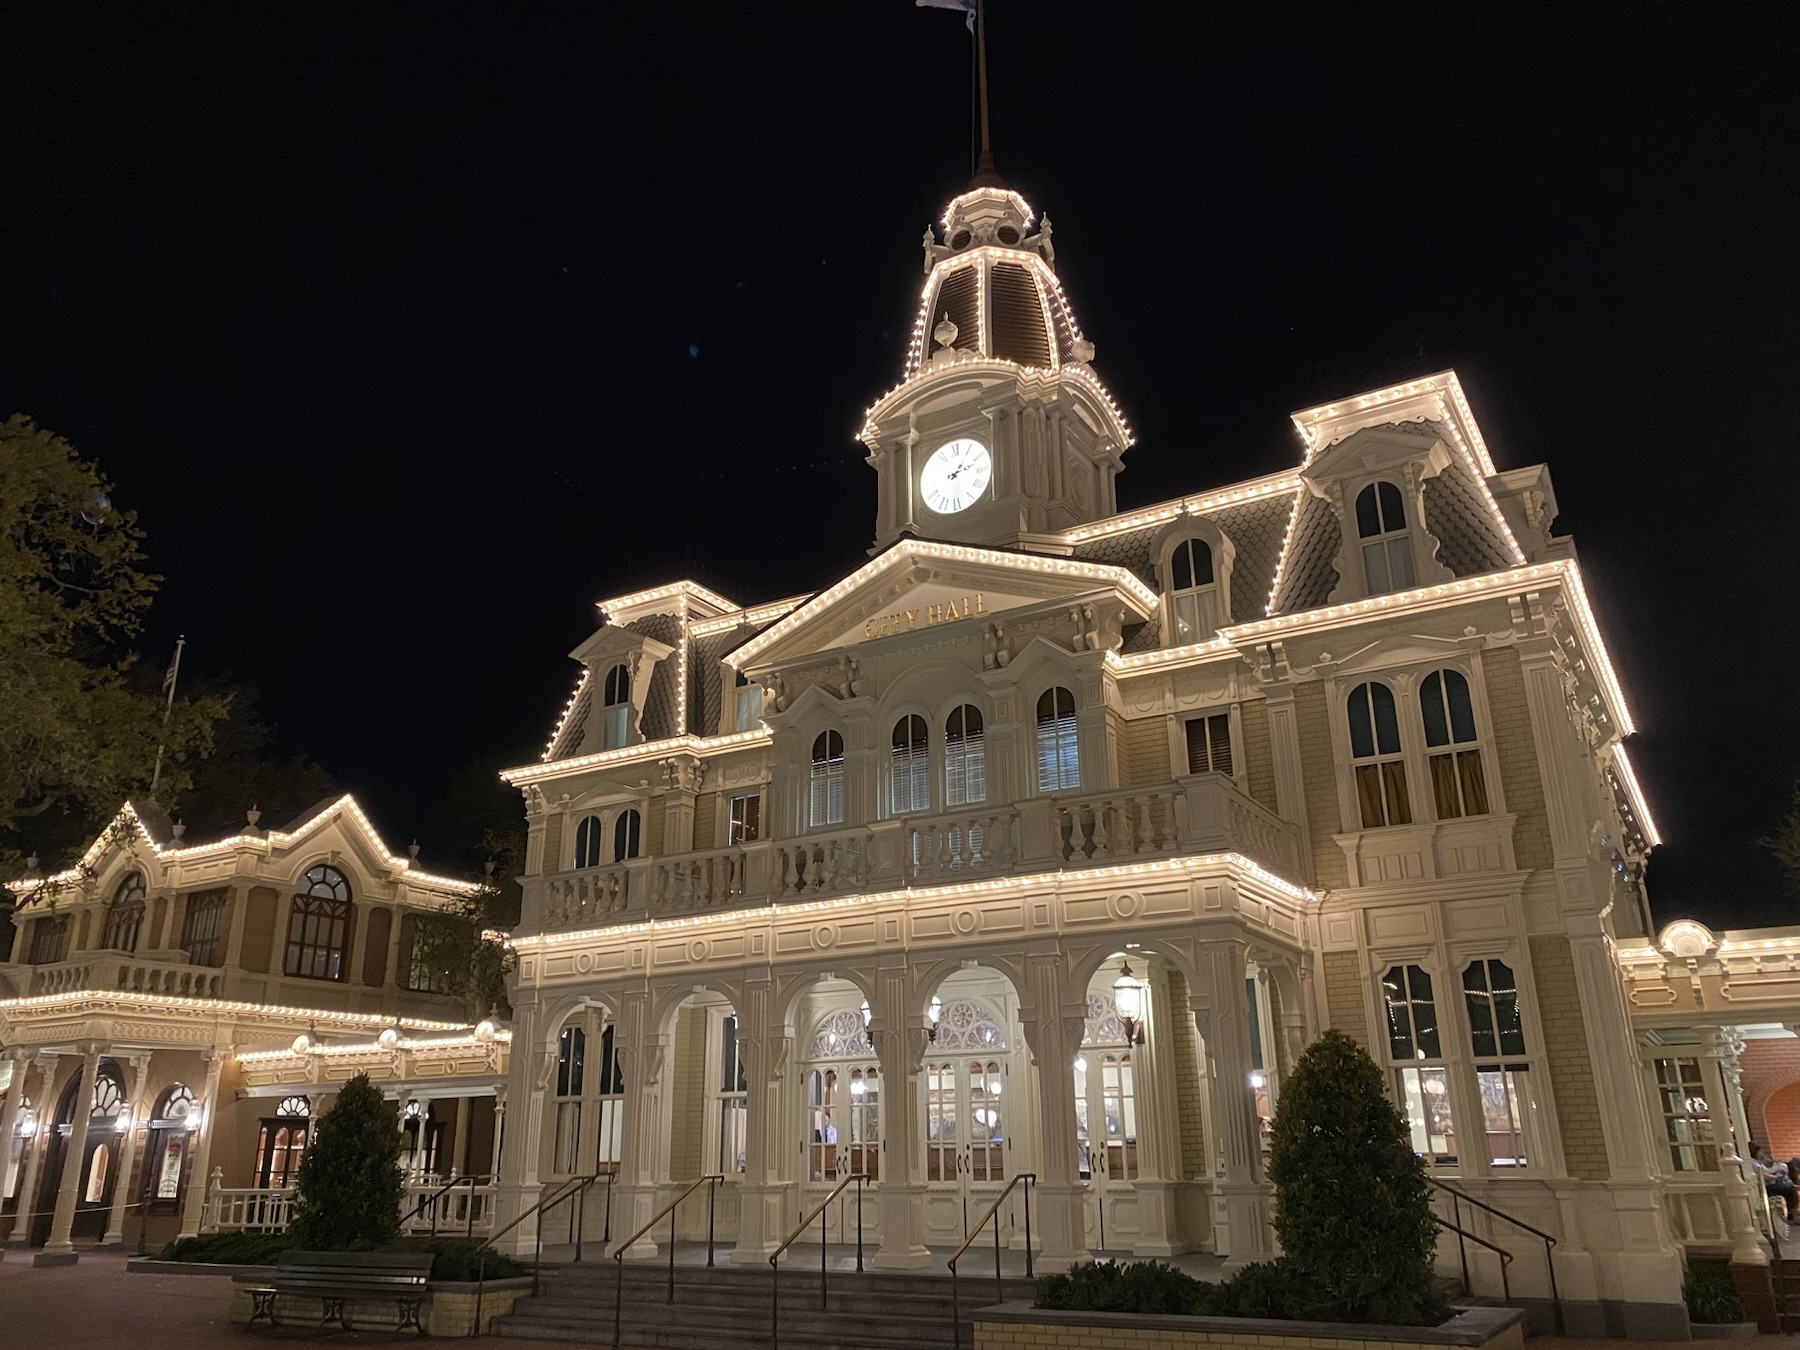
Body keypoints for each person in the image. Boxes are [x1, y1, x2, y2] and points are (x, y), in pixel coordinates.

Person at [1751, 1142, 1797, 1221]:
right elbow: (1765, 1176)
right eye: (1759, 1151)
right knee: (1789, 1189)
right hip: (1767, 1186)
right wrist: (1776, 1176)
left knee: (1788, 1173)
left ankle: (1793, 1213)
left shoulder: (1756, 1161)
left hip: (1770, 1182)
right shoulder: (1753, 1163)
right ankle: (1794, 1214)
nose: (1761, 1153)